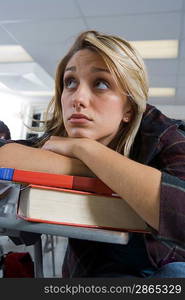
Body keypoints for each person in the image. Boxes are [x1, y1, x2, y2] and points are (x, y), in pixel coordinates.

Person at [0, 30, 185, 278]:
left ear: (129, 108)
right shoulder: (61, 139)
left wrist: (88, 150)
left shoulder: (164, 135)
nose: (78, 98)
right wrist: (96, 165)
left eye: (100, 83)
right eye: (70, 82)